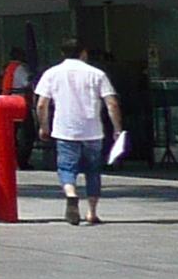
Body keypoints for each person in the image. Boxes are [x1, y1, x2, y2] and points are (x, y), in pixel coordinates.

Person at [34, 39, 122, 226]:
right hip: (92, 129)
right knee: (93, 170)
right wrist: (117, 129)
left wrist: (44, 126)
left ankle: (71, 194)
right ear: (84, 53)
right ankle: (92, 212)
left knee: (67, 167)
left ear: (62, 53)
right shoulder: (97, 74)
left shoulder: (52, 73)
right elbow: (112, 103)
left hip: (65, 129)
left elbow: (42, 104)